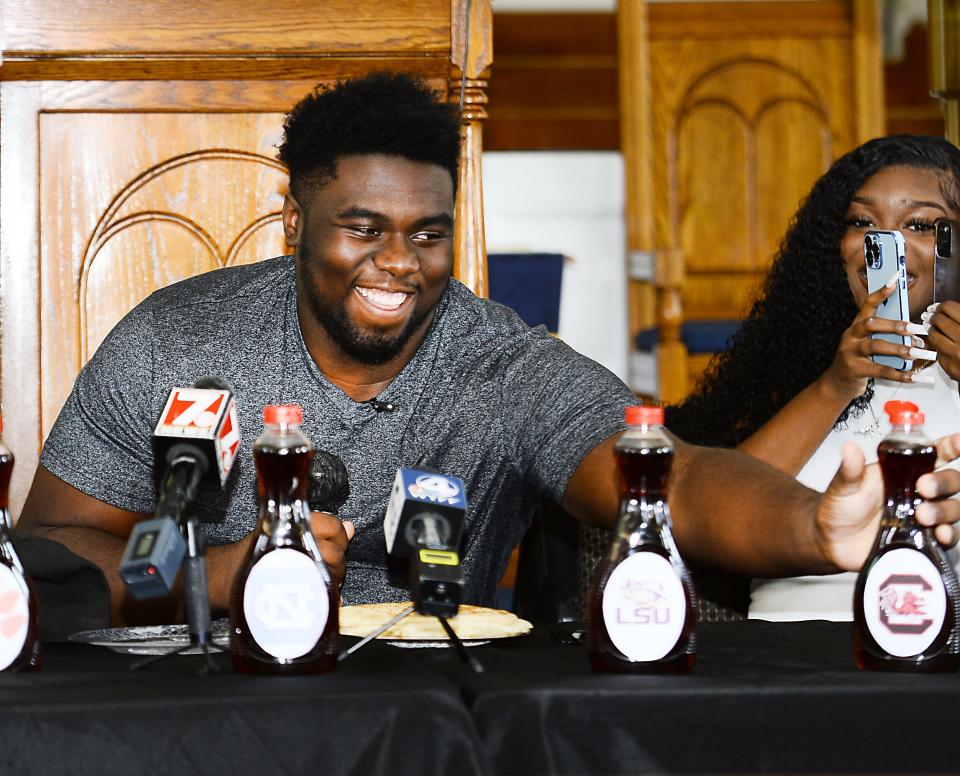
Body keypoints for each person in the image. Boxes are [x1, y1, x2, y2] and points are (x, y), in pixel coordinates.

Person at [15, 74, 960, 626]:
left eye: (428, 233)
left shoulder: (499, 363)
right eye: (362, 228)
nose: (398, 264)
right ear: (293, 220)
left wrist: (814, 527)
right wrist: (221, 574)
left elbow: (666, 473)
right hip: (192, 706)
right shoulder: (177, 340)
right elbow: (50, 548)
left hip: (428, 718)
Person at [665, 135, 960, 621]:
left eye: (921, 225)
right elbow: (713, 514)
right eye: (862, 222)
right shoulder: (794, 366)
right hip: (782, 655)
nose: (882, 245)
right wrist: (836, 383)